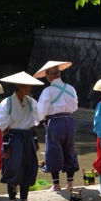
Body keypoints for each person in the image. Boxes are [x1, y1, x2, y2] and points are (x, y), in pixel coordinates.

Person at [0, 71, 43, 201]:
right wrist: (6, 146)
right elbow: (4, 127)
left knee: (28, 171)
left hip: (27, 139)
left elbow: (34, 123)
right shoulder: (7, 103)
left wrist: (35, 140)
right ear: (21, 87)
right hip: (14, 140)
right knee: (13, 171)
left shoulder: (31, 102)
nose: (30, 88)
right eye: (28, 85)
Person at [34, 61, 79, 191]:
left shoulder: (48, 91)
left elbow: (41, 111)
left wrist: (44, 118)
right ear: (59, 73)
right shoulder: (70, 88)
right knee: (70, 150)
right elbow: (75, 106)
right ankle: (70, 183)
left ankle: (56, 184)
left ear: (48, 75)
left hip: (55, 122)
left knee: (54, 151)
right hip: (69, 121)